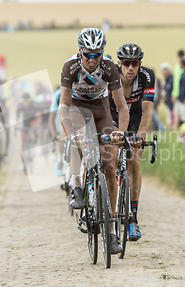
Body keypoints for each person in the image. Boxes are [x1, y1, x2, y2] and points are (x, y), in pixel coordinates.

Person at [58, 28, 129, 254]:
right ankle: (77, 186)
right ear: (80, 51)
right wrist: (71, 134)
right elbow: (63, 107)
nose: (91, 59)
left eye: (96, 54)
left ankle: (111, 231)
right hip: (77, 106)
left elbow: (122, 108)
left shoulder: (109, 67)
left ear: (102, 53)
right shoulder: (70, 67)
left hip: (100, 108)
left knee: (109, 164)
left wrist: (121, 133)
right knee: (77, 138)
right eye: (87, 54)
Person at [109, 43, 154, 241]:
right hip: (112, 116)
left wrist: (141, 137)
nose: (130, 68)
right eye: (126, 63)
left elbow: (147, 111)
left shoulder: (147, 76)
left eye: (134, 63)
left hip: (135, 119)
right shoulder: (110, 76)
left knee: (134, 161)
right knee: (109, 160)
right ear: (119, 64)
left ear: (139, 64)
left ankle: (133, 219)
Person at [48, 87, 64, 177]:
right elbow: (51, 118)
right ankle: (60, 160)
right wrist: (55, 135)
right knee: (61, 133)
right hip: (61, 117)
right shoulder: (58, 95)